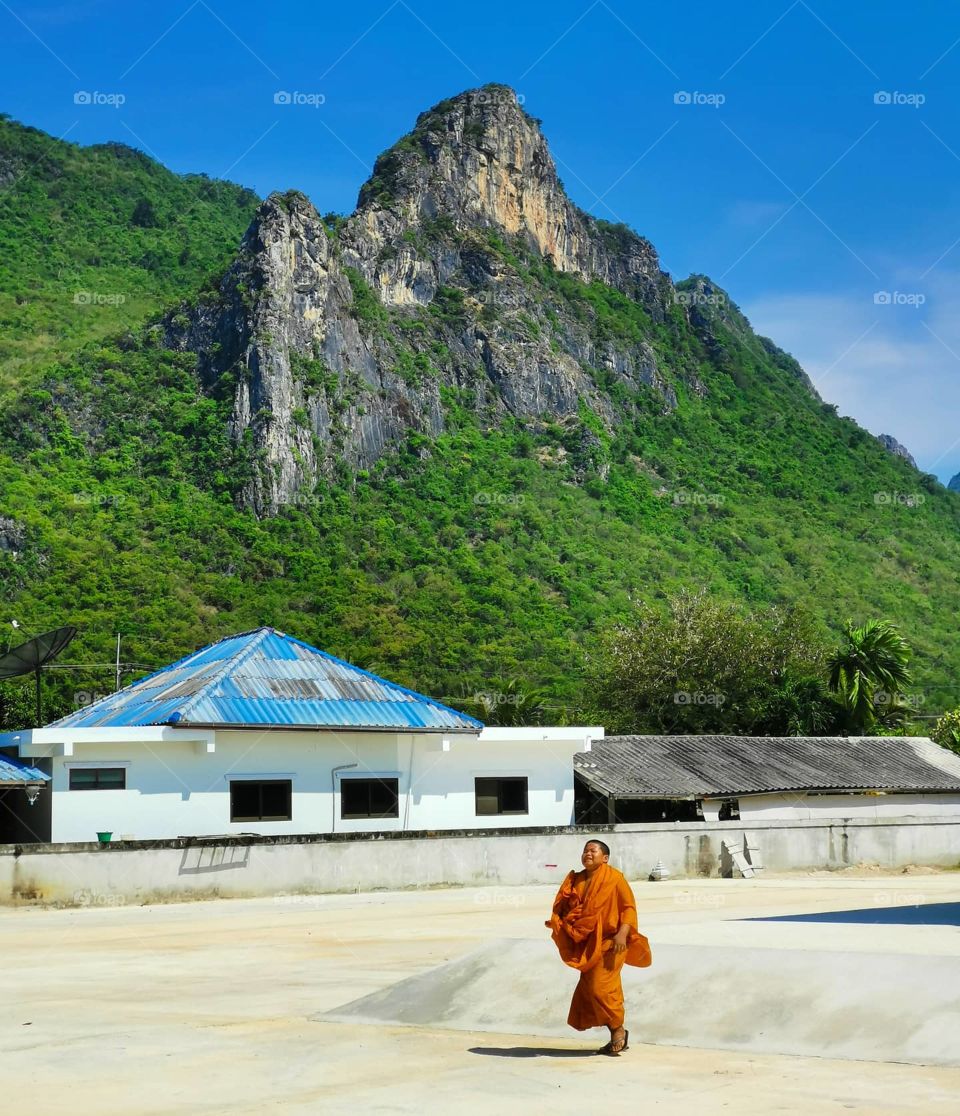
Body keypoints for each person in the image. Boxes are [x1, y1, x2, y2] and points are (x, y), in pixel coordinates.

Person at [545, 839, 652, 1055]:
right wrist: (562, 922)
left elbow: (629, 908)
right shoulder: (576, 880)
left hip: (612, 941)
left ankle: (618, 1029)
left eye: (593, 850)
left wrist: (623, 934)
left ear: (605, 858)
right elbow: (568, 909)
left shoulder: (614, 878)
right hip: (588, 944)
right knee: (591, 991)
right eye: (585, 850)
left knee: (601, 988)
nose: (587, 854)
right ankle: (616, 1031)